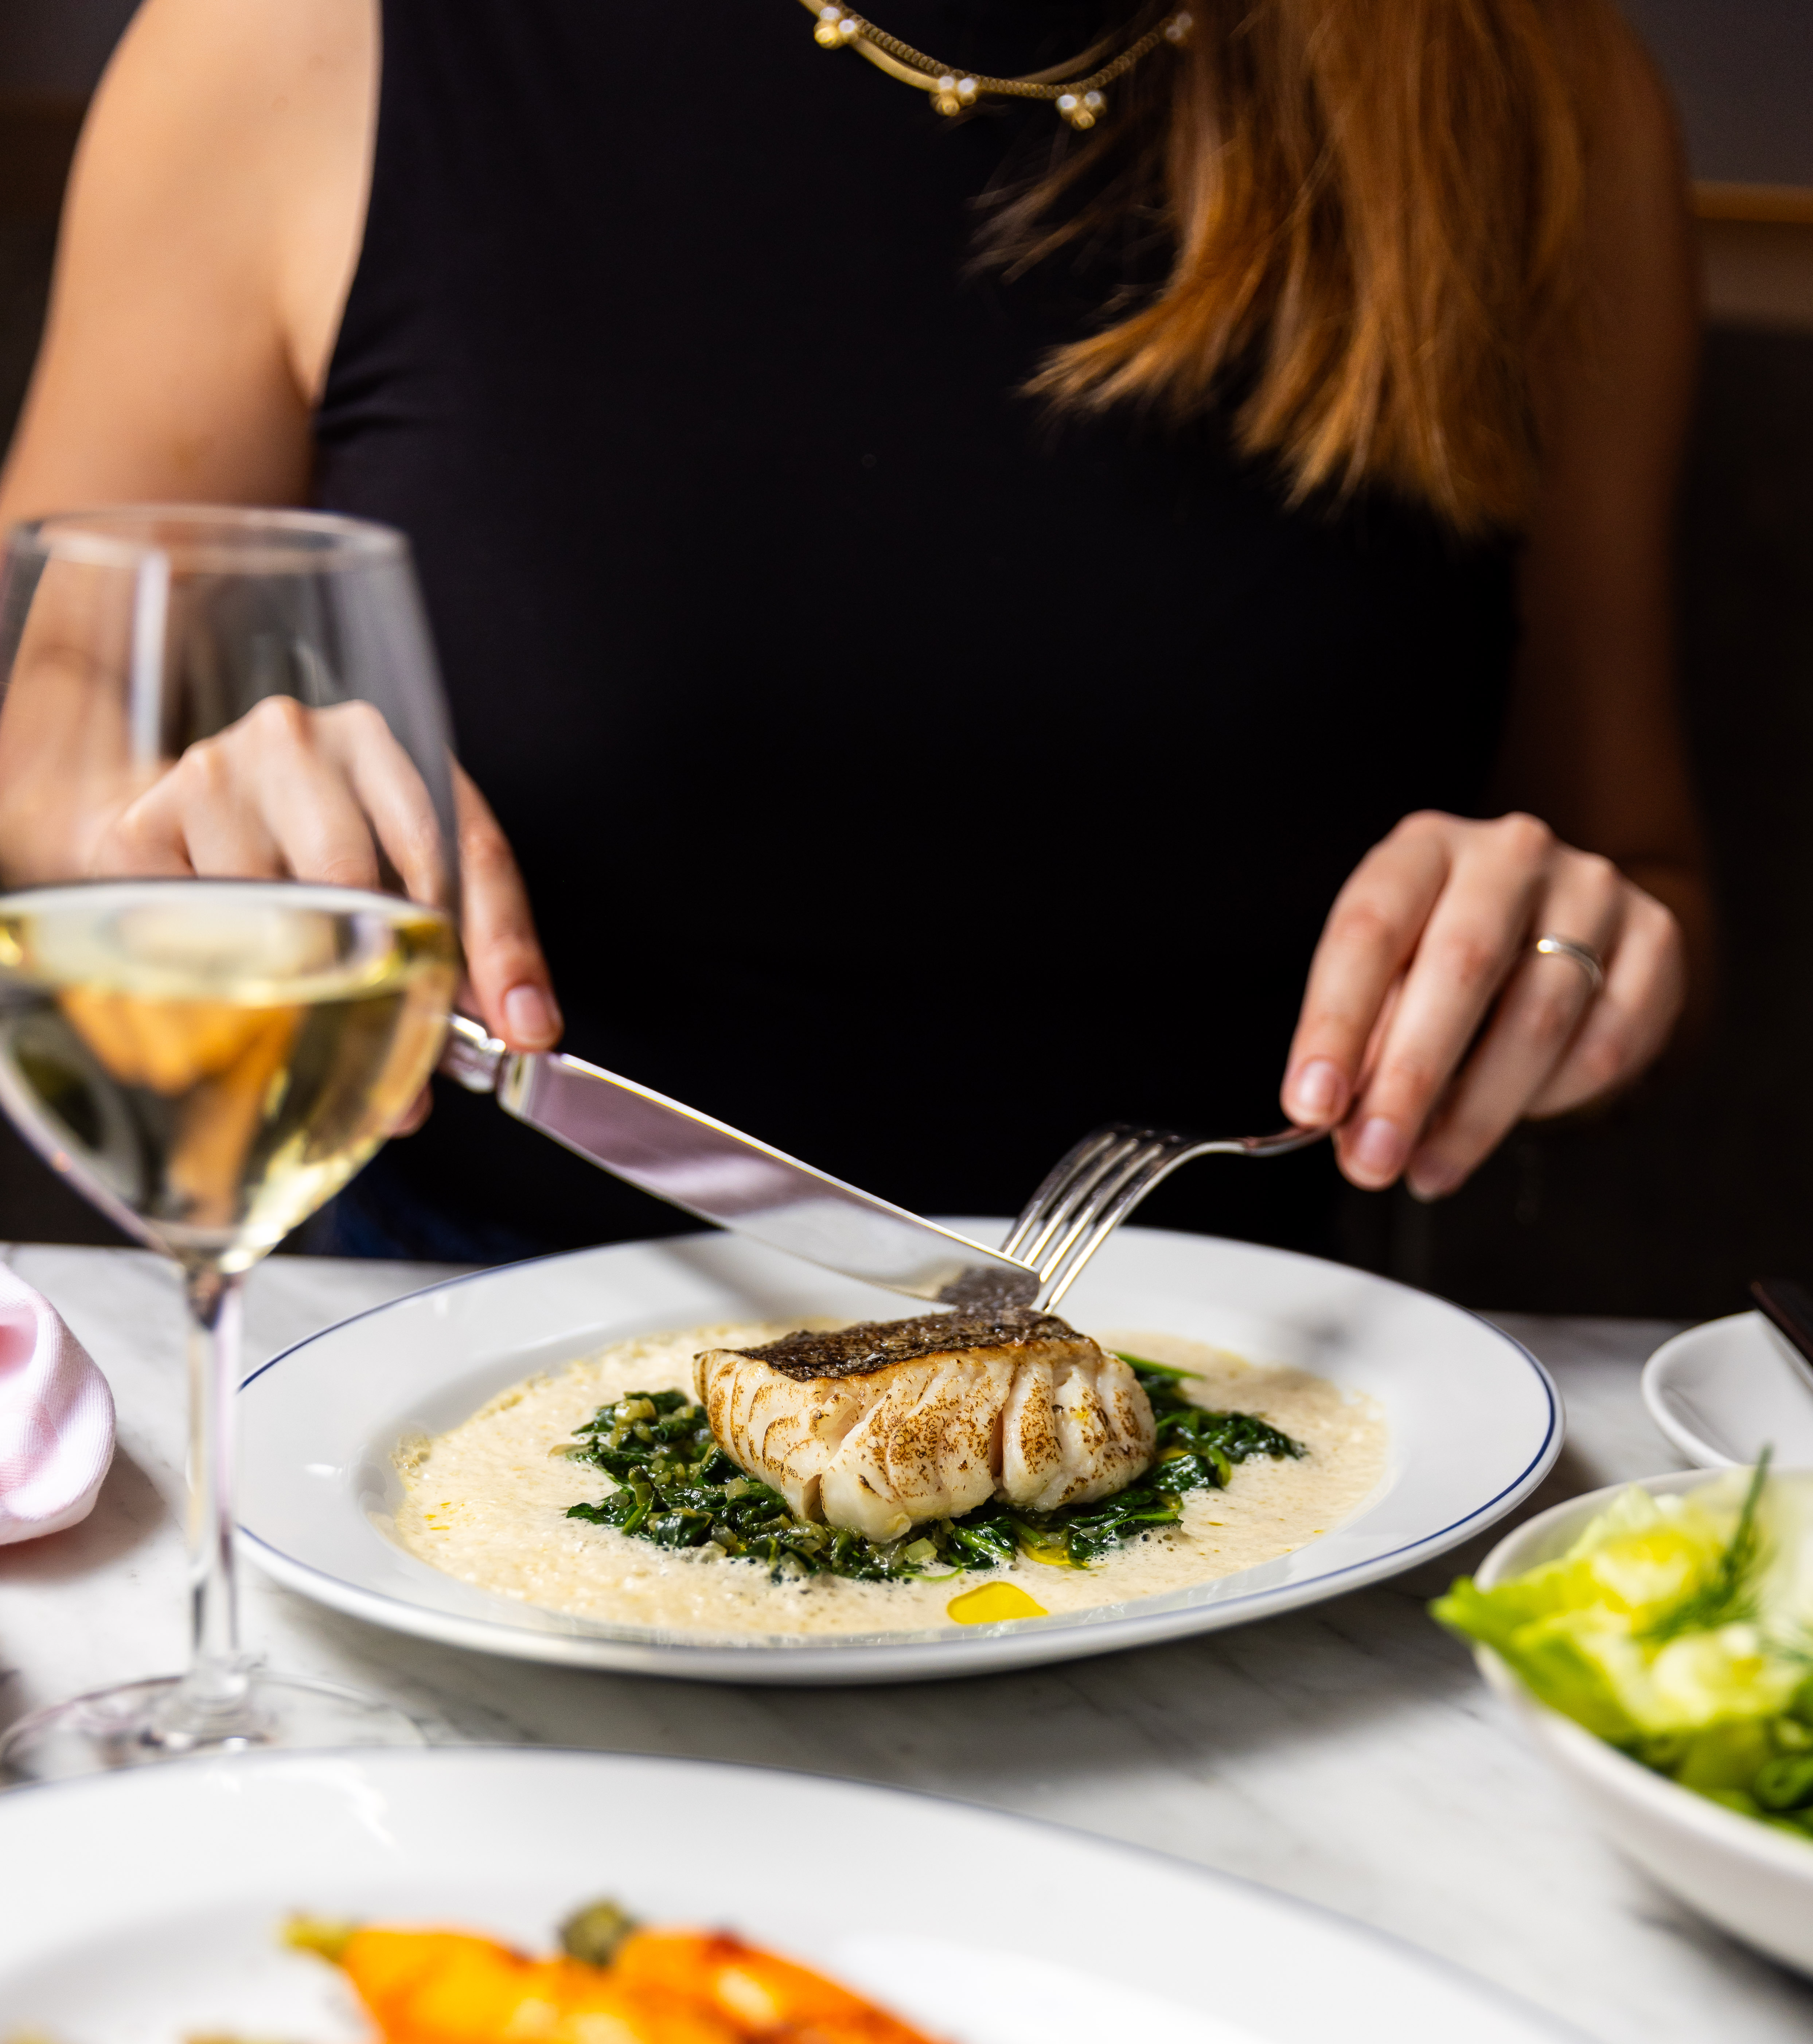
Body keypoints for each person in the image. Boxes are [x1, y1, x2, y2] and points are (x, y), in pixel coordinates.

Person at [0, 0, 1704, 1266]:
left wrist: (1568, 958)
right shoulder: (304, 37)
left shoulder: (1531, 87)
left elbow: (1639, 866)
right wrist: (170, 827)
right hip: (432, 1387)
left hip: (1264, 1437)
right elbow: (47, 707)